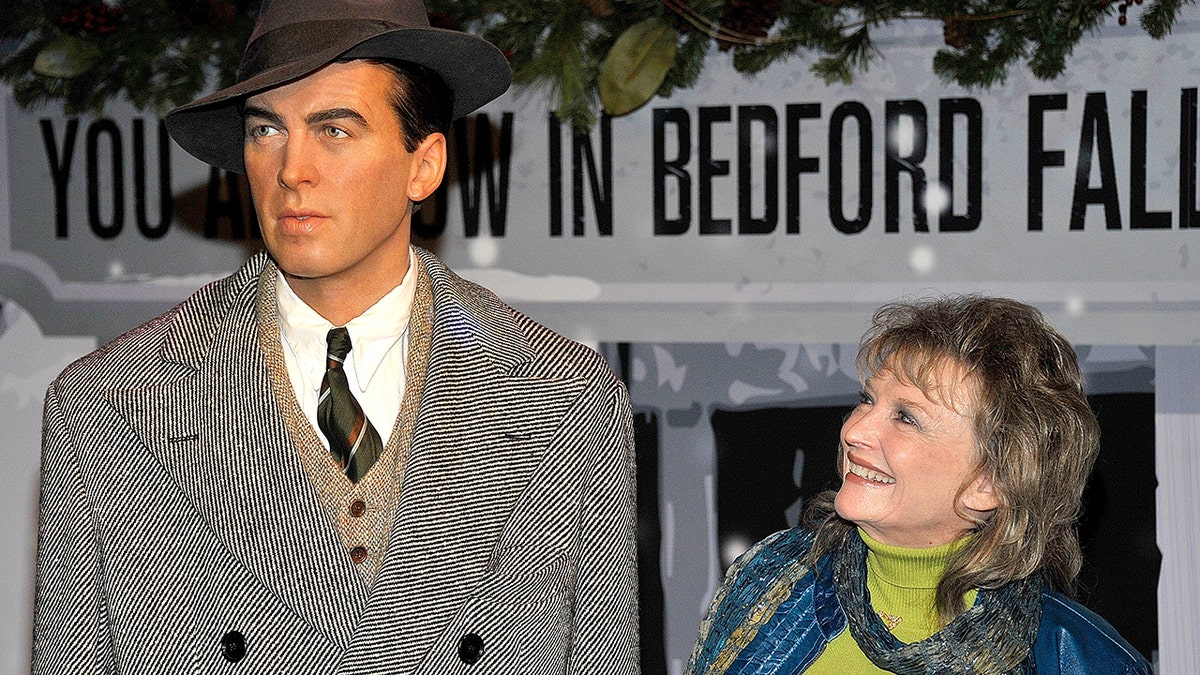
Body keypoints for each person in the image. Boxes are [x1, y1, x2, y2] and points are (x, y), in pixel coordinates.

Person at [30, 0, 638, 672]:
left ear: (424, 165)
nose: (292, 169)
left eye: (335, 130)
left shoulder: (567, 401)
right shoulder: (108, 408)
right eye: (266, 131)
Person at [686, 296, 1152, 674]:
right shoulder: (769, 583)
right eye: (866, 400)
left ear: (988, 484)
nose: (854, 431)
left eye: (906, 418)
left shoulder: (1081, 660)